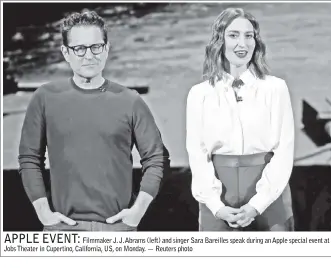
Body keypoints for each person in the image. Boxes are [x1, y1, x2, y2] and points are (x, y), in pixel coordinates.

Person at [18, 10, 169, 232]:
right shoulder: (45, 98)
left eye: (96, 47)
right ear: (66, 53)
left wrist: (136, 214)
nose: (89, 55)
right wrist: (44, 214)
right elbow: (29, 159)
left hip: (119, 230)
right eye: (79, 48)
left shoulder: (130, 101)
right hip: (61, 229)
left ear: (106, 49)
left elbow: (157, 158)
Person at [186, 8, 295, 231]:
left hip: (269, 196)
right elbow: (197, 154)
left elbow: (284, 150)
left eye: (249, 36)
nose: (242, 44)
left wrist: (257, 204)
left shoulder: (275, 89)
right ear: (219, 40)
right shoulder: (199, 94)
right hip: (217, 199)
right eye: (233, 35)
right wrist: (217, 206)